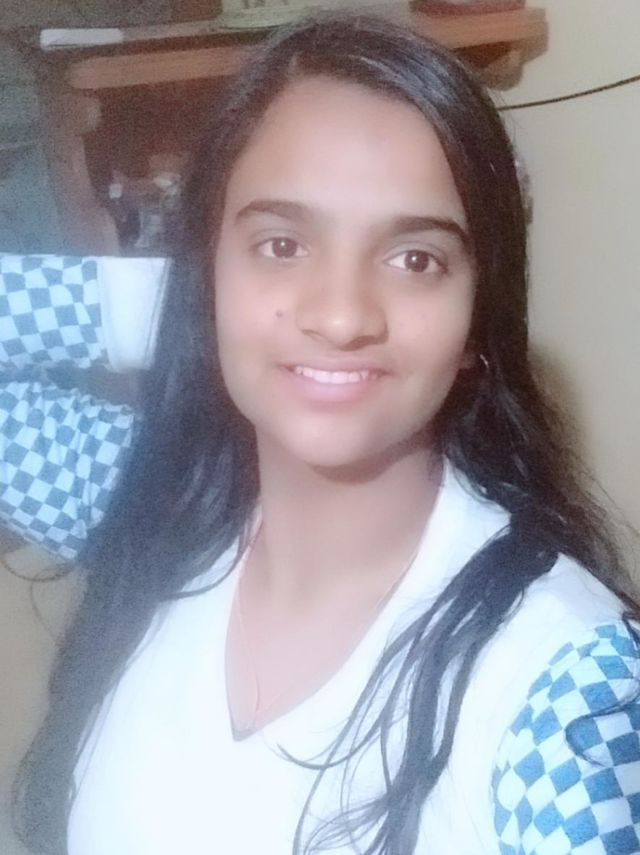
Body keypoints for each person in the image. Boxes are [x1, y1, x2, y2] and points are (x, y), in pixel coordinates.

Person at [1, 14, 639, 855]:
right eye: (280, 244)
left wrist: (249, 304)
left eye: (415, 259)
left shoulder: (566, 687)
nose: (341, 316)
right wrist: (197, 306)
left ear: (478, 316)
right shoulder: (154, 501)